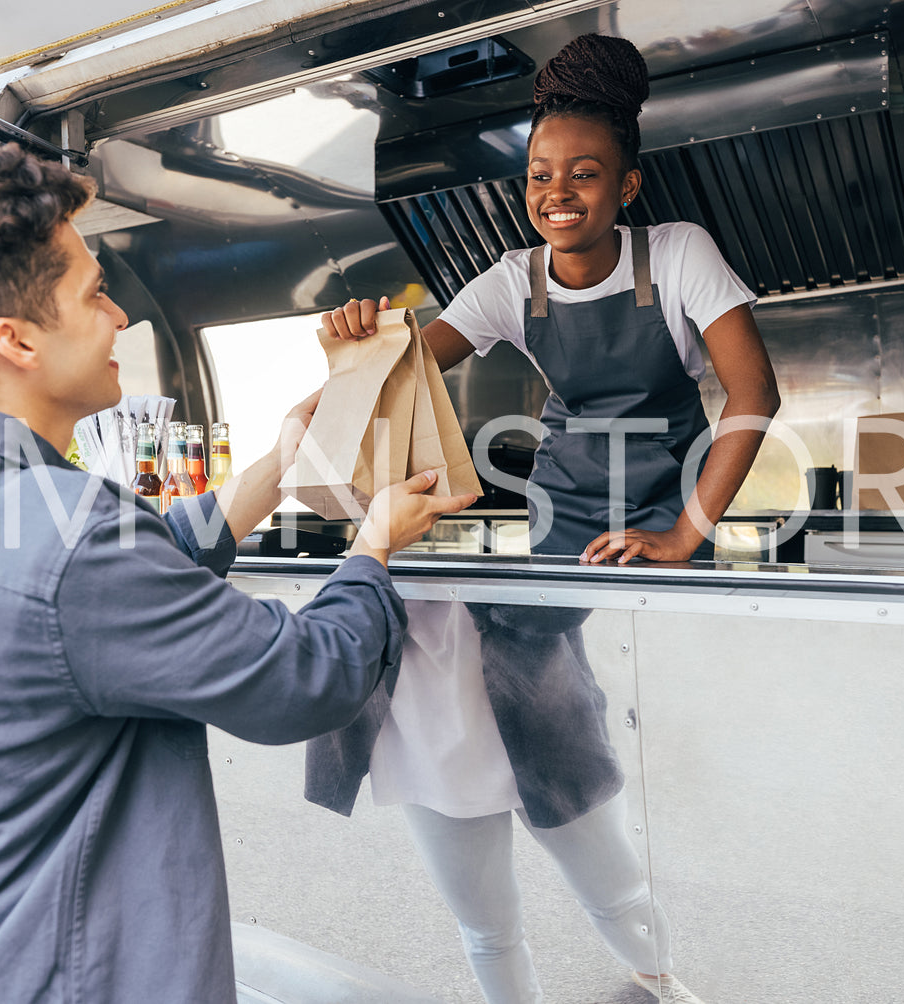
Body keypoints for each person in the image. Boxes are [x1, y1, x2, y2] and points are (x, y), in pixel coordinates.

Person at [0, 144, 474, 1003]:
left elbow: (122, 576)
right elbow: (305, 679)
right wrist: (372, 546)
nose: (122, 319)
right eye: (93, 292)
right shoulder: (68, 543)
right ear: (15, 340)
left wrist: (276, 465)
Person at [318, 33, 779, 1004]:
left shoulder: (676, 254)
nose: (556, 190)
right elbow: (404, 370)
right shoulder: (510, 280)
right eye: (539, 173)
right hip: (565, 520)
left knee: (591, 773)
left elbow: (749, 395)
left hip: (663, 503)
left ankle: (658, 973)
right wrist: (357, 344)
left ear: (627, 185)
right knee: (520, 665)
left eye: (583, 172)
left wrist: (685, 532)